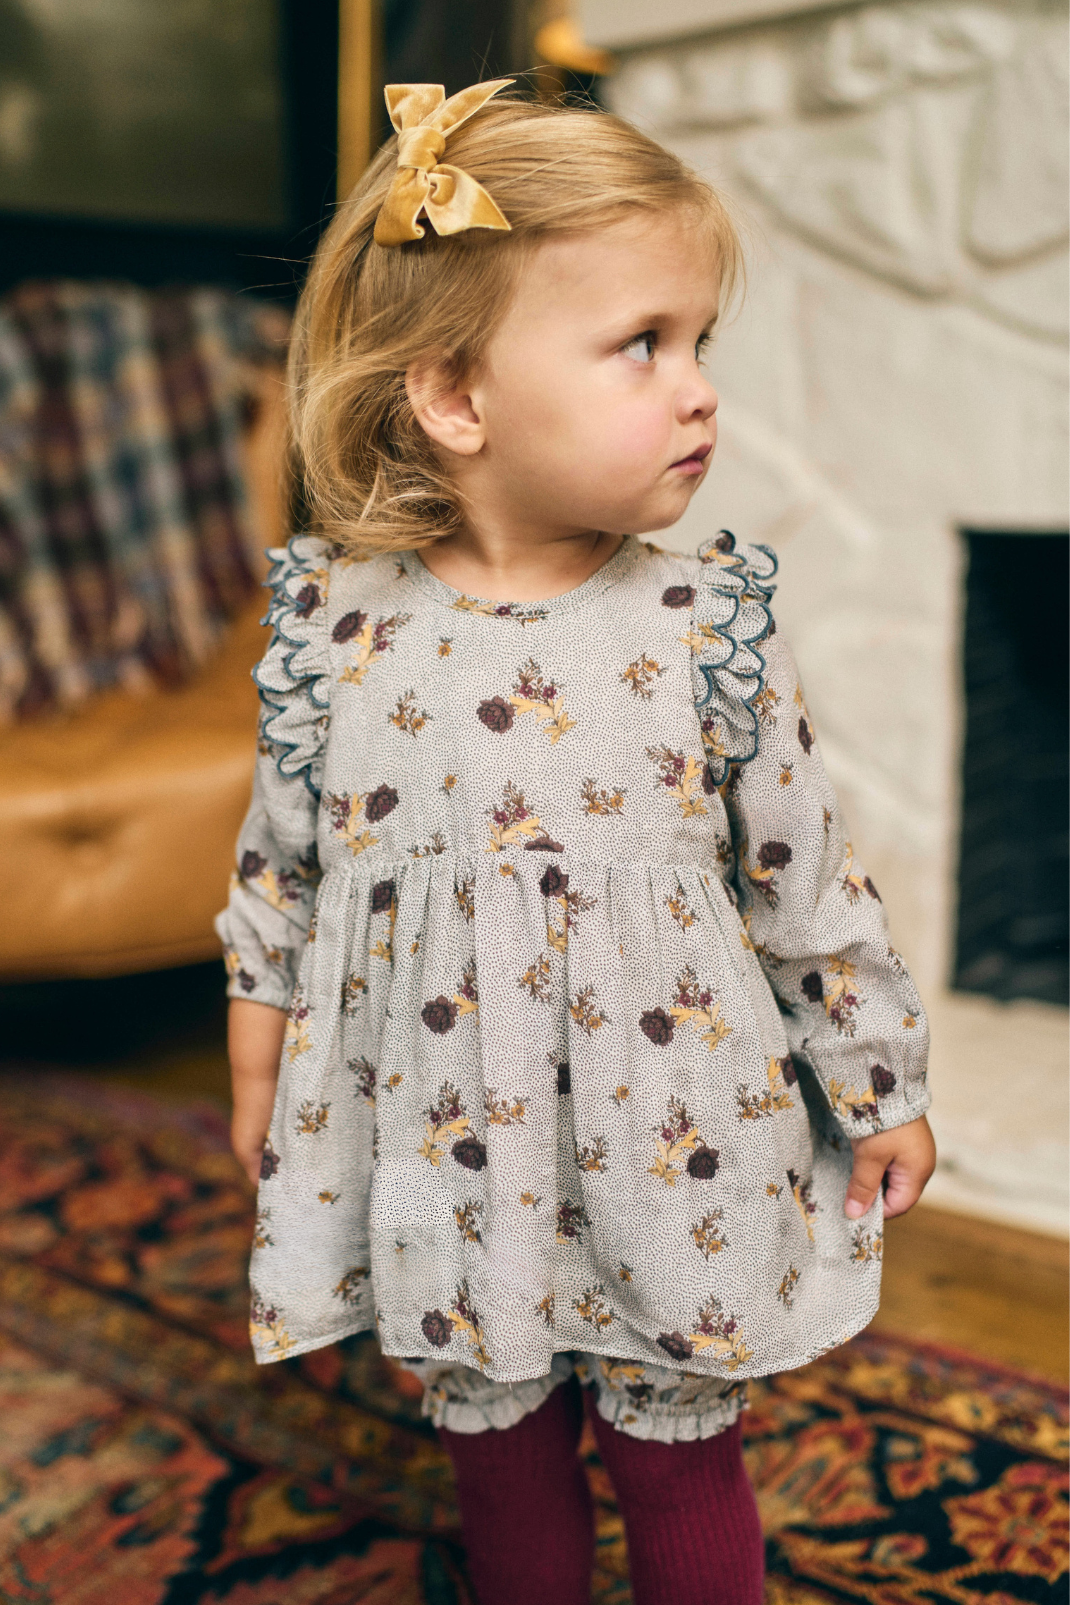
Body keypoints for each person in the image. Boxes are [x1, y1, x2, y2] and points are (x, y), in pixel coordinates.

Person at [217, 80, 936, 1605]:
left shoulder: (702, 624)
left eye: (699, 345)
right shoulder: (336, 632)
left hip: (664, 1132)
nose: (697, 393)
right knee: (499, 1443)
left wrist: (876, 1084)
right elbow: (280, 875)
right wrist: (262, 1075)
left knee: (675, 1447)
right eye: (640, 346)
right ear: (454, 397)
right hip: (439, 1140)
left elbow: (808, 885)